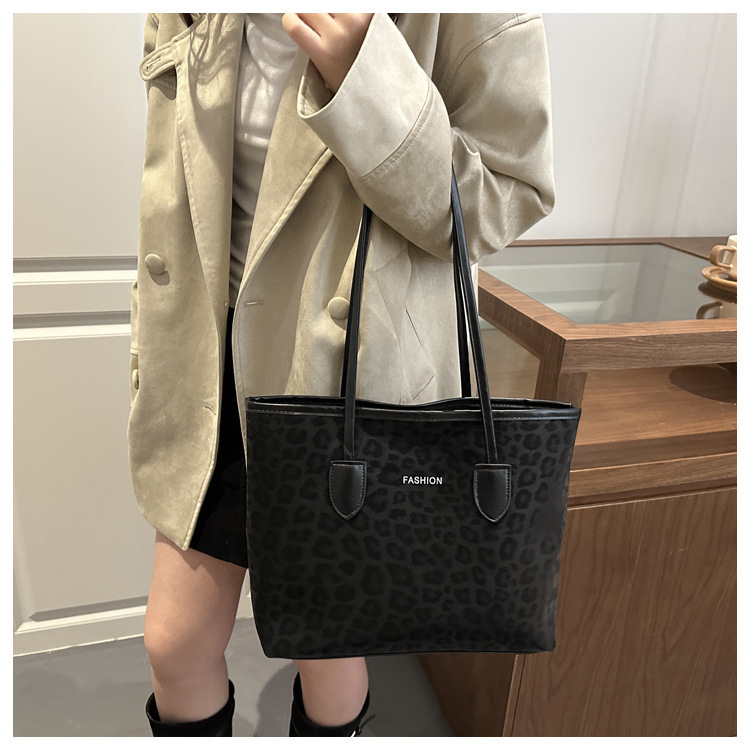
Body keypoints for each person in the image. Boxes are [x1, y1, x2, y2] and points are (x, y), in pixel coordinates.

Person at [128, 12, 555, 737]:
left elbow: (501, 202)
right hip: (203, 365)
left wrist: (370, 81)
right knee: (174, 646)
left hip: (336, 384)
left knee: (325, 651)